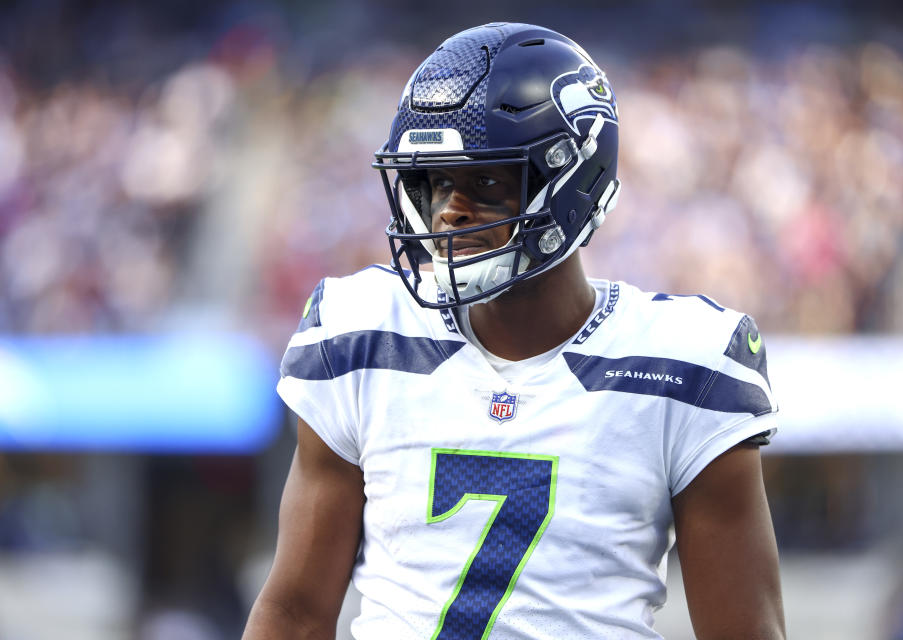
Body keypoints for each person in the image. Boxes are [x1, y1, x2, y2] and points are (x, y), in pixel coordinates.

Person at [243, 22, 785, 640]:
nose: (450, 209)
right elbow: (294, 612)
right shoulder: (363, 334)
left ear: (572, 181)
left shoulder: (684, 366)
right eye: (440, 182)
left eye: (487, 182)